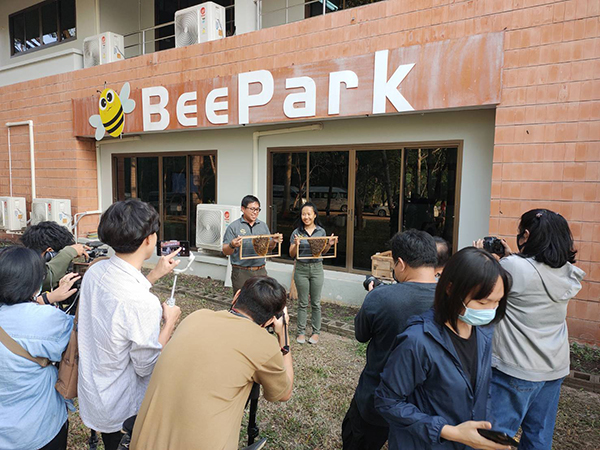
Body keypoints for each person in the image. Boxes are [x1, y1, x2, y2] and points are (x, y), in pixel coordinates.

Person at [130, 276, 294, 450]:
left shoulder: (197, 316)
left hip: (141, 443)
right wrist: (283, 335)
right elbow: (283, 394)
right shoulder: (264, 344)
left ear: (236, 296)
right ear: (270, 320)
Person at [375, 247, 512, 450]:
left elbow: (481, 390)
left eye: (497, 302)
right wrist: (450, 432)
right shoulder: (418, 341)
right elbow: (387, 401)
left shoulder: (482, 332)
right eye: (483, 302)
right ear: (450, 288)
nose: (490, 310)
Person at [78, 199, 182, 450]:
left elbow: (120, 303)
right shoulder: (142, 303)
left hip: (95, 389)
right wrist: (169, 323)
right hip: (121, 404)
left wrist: (153, 276)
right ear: (148, 239)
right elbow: (146, 365)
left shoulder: (95, 271)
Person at [483, 209, 585, 450]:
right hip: (553, 367)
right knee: (538, 438)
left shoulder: (512, 267)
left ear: (526, 235)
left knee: (491, 437)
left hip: (516, 367)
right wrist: (512, 257)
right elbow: (532, 274)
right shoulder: (567, 271)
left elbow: (485, 289)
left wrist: (483, 257)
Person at [342, 229, 438, 450]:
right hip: (426, 406)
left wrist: (373, 296)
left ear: (401, 264)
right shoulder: (452, 299)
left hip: (376, 399)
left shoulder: (381, 297)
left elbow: (361, 335)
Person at [0, 246, 74, 450]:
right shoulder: (48, 320)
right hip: (38, 430)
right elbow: (80, 334)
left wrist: (49, 298)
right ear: (34, 283)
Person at [289, 202, 337, 344]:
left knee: (316, 303)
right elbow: (291, 254)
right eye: (303, 214)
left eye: (309, 214)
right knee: (303, 303)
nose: (306, 217)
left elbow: (322, 251)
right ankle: (301, 332)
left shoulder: (321, 232)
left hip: (317, 268)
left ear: (315, 215)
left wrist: (329, 244)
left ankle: (316, 332)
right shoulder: (296, 232)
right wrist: (296, 245)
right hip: (301, 269)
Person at [222, 195, 283, 294]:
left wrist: (274, 241)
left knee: (262, 299)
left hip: (260, 270)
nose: (255, 212)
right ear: (243, 209)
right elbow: (225, 250)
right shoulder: (234, 227)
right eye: (252, 209)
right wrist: (232, 245)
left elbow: (269, 247)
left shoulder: (263, 226)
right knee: (242, 300)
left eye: (257, 209)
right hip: (241, 272)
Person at [21, 221, 90, 303]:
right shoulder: (26, 271)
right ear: (50, 251)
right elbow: (48, 276)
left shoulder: (15, 259)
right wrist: (69, 252)